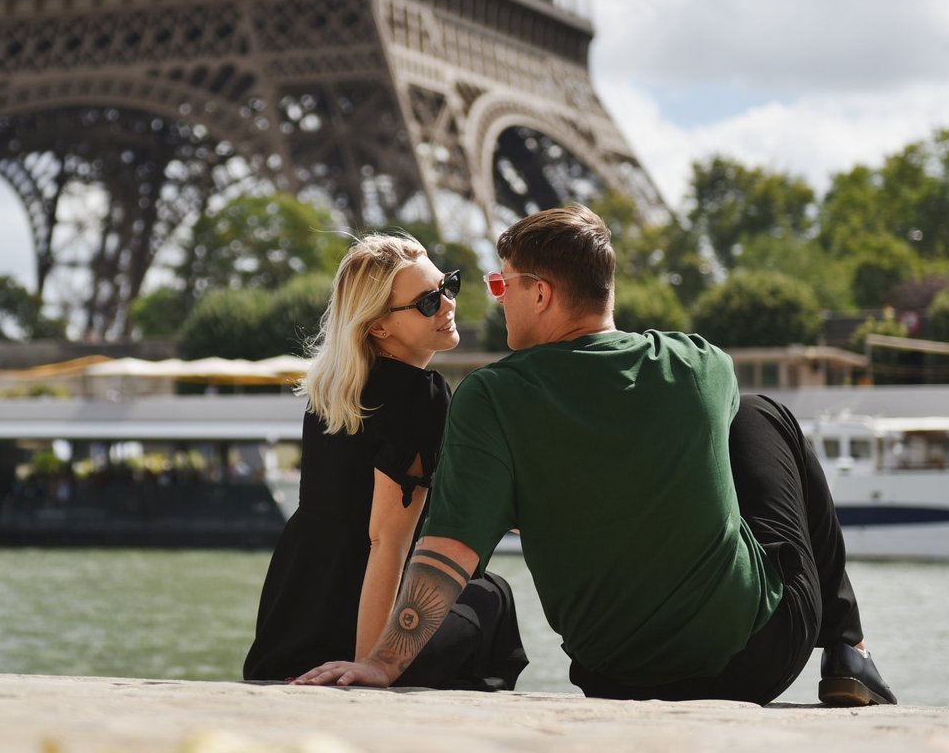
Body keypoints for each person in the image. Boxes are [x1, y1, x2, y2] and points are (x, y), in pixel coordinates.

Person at [296, 205, 895, 707]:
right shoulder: (702, 364)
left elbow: (448, 554)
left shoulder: (492, 396)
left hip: (614, 677)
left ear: (542, 292)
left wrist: (383, 663)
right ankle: (850, 646)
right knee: (763, 415)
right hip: (760, 658)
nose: (495, 301)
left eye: (502, 285)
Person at [243, 233, 527, 690]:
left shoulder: (332, 392)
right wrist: (373, 665)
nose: (448, 304)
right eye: (428, 302)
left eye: (448, 286)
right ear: (378, 326)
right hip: (360, 622)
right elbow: (385, 540)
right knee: (491, 594)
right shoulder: (419, 395)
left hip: (297, 613)